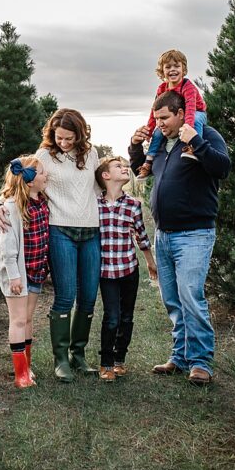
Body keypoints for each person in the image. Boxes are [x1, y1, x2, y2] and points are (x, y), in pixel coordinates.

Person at [128, 90, 230, 385]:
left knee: (190, 296)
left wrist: (195, 141)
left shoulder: (206, 135)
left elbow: (222, 168)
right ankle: (180, 356)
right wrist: (135, 147)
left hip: (194, 234)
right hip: (164, 235)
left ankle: (201, 363)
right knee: (172, 298)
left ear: (181, 113)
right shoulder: (160, 146)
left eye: (164, 118)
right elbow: (141, 172)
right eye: (156, 118)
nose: (158, 123)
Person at [0, 109, 101, 382]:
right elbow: (17, 181)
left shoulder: (92, 154)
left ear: (80, 134)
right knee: (66, 296)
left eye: (69, 138)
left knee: (88, 298)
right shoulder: (44, 156)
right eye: (59, 137)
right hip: (59, 230)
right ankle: (61, 359)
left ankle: (79, 355)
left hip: (90, 230)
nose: (64, 143)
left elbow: (100, 189)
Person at [94, 156, 155, 382]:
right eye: (118, 166)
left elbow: (142, 236)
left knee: (126, 317)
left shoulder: (133, 205)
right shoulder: (94, 204)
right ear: (105, 176)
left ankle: (120, 360)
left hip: (129, 269)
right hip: (106, 271)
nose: (125, 168)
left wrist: (150, 262)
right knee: (112, 317)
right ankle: (106, 362)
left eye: (125, 166)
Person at [0, 156, 50, 388]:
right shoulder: (11, 208)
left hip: (35, 270)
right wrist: (14, 275)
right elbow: (7, 247)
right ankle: (20, 375)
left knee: (27, 319)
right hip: (17, 273)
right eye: (43, 172)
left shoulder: (43, 201)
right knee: (17, 320)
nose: (47, 176)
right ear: (29, 181)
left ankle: (28, 366)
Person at [137, 49, 208, 178]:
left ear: (183, 69)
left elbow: (191, 108)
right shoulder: (162, 88)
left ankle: (192, 148)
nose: (172, 70)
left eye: (177, 66)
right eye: (168, 67)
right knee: (158, 133)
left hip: (196, 112)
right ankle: (148, 162)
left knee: (197, 120)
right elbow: (155, 110)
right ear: (162, 71)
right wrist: (150, 129)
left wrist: (188, 127)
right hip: (179, 116)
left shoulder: (188, 86)